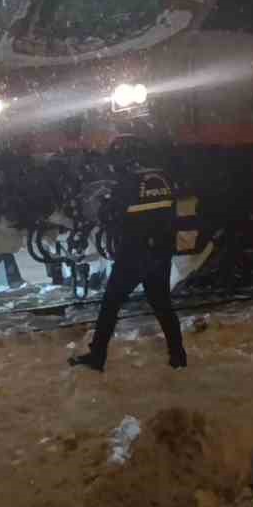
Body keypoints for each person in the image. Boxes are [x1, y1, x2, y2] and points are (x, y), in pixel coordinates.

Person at [69, 157, 187, 371]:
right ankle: (178, 355)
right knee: (162, 304)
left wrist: (105, 204)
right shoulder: (162, 177)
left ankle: (97, 356)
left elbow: (110, 215)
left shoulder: (127, 183)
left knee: (110, 304)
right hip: (160, 251)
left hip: (134, 253)